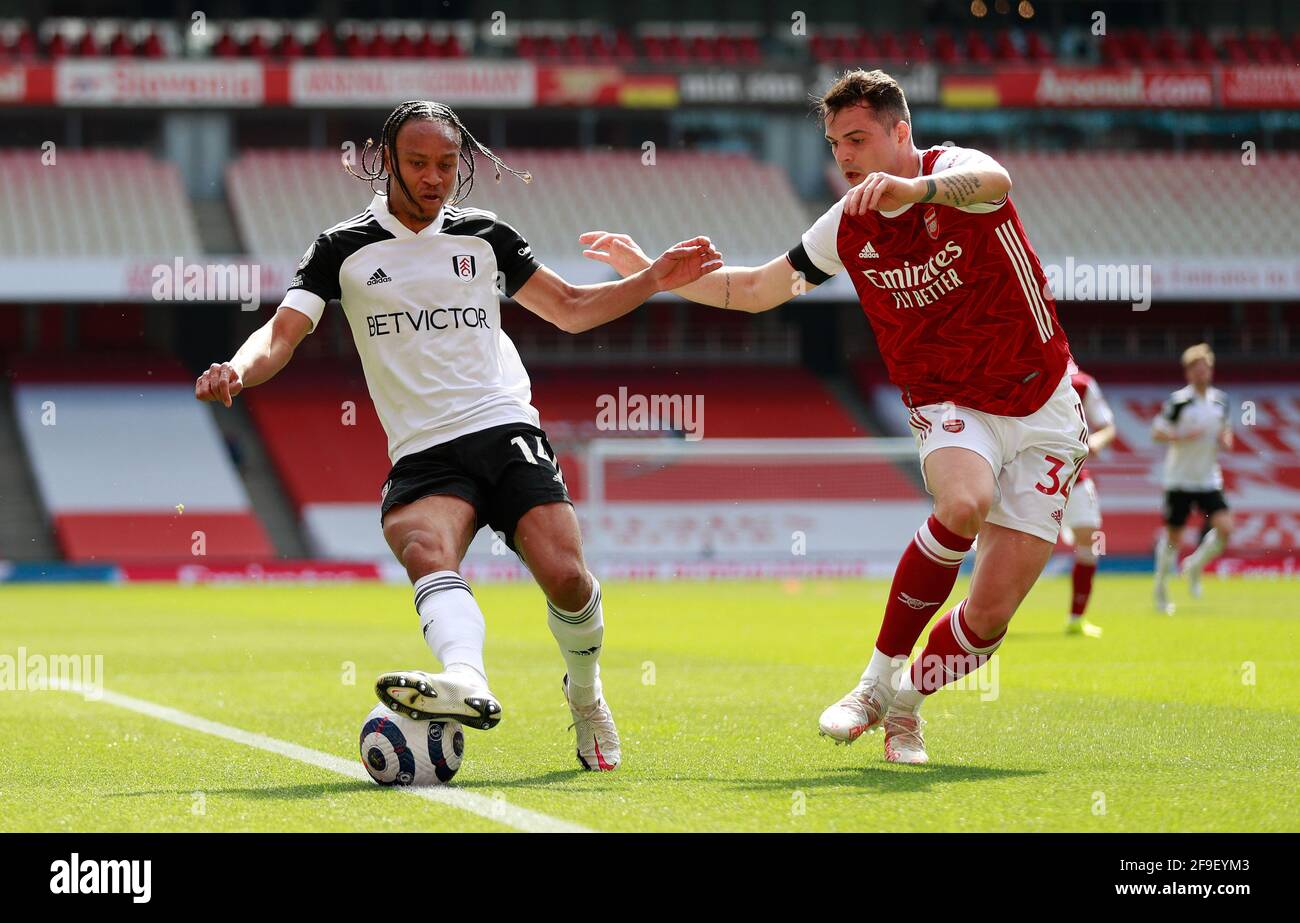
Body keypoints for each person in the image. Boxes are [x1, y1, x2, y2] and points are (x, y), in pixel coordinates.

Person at [195, 99, 720, 771]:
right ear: (387, 161)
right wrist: (238, 368)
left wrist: (651, 279)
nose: (434, 176)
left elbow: (569, 308)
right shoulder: (342, 248)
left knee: (566, 578)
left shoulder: (483, 234)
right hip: (422, 448)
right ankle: (467, 680)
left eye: (446, 163)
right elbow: (282, 332)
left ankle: (585, 693)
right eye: (418, 162)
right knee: (421, 543)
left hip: (501, 423)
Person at [580, 69, 1087, 764]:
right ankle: (874, 683)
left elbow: (997, 180)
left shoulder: (956, 174)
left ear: (901, 133)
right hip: (948, 400)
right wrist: (650, 274)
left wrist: (917, 190)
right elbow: (759, 288)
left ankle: (907, 706)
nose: (844, 155)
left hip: (1044, 401)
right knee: (965, 503)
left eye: (858, 138)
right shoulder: (847, 224)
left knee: (991, 614)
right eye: (834, 141)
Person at [1151, 343, 1234, 615]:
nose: (1202, 373)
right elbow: (1157, 432)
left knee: (1225, 528)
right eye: (1196, 369)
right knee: (1174, 537)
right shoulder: (1178, 402)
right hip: (1179, 479)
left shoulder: (1220, 401)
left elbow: (1225, 431)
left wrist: (1225, 439)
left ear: (1210, 370)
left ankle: (1195, 567)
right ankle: (1161, 587)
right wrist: (1181, 437)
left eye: (1205, 368)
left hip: (1208, 478)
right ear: (1188, 372)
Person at [1061, 363, 1117, 637]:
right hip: (1029, 475)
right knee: (1020, 546)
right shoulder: (1028, 373)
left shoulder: (1081, 383)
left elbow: (1108, 426)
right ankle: (988, 617)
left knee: (1089, 540)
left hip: (1075, 475)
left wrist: (1097, 440)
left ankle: (1076, 618)